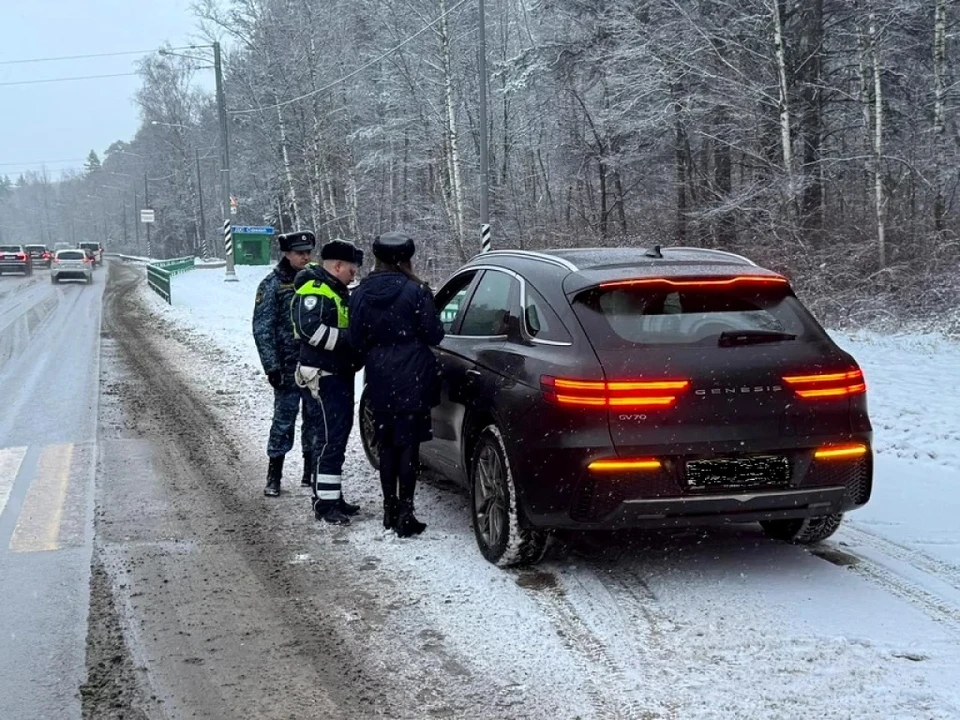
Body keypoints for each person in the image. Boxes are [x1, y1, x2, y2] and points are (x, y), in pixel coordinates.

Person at [347, 232, 444, 537]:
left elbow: (356, 338)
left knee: (386, 442)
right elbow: (433, 334)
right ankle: (406, 511)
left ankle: (389, 509)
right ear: (406, 259)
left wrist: (376, 353)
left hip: (379, 372)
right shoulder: (416, 291)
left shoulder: (361, 293)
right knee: (409, 444)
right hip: (412, 372)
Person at [291, 238, 365, 525]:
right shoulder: (315, 291)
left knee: (336, 437)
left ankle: (331, 495)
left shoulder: (333, 290)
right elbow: (312, 331)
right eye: (351, 269)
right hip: (323, 377)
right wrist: (351, 342)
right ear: (337, 265)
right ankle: (325, 504)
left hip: (336, 374)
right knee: (329, 439)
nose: (354, 274)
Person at [252, 230, 316, 497]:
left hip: (313, 363)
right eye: (299, 252)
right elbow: (262, 328)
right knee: (283, 421)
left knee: (314, 420)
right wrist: (271, 367)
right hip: (286, 366)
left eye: (307, 252)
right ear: (287, 254)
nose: (304, 257)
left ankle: (310, 472)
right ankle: (274, 475)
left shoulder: (315, 279)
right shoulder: (272, 284)